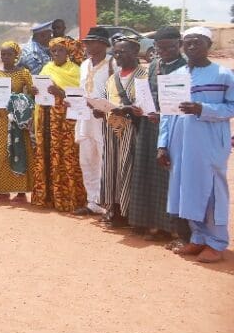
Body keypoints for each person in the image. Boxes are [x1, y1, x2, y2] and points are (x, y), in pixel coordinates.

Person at [158, 27, 234, 263]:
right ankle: (198, 237)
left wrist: (204, 109)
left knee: (210, 191)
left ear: (208, 45)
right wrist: (162, 145)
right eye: (187, 43)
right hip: (180, 144)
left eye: (197, 43)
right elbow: (167, 114)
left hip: (209, 143)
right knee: (186, 189)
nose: (191, 47)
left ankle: (217, 243)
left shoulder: (223, 74)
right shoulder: (176, 75)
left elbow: (231, 107)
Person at [128, 28, 186, 241]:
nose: (165, 51)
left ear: (179, 45)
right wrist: (139, 108)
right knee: (149, 175)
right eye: (161, 47)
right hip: (149, 126)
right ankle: (155, 225)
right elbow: (147, 94)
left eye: (170, 47)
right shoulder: (153, 65)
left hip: (174, 128)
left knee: (169, 177)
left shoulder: (185, 68)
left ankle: (174, 229)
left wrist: (162, 115)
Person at [31, 38, 87, 212]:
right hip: (47, 120)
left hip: (66, 123)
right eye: (53, 51)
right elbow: (39, 93)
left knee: (66, 155)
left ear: (68, 52)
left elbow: (80, 99)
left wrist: (60, 92)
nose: (56, 54)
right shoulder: (46, 69)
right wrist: (34, 91)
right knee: (47, 154)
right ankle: (47, 197)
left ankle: (68, 197)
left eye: (60, 50)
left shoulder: (76, 71)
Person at [97, 37, 146, 229]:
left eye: (123, 52)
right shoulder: (113, 78)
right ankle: (114, 210)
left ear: (135, 52)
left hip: (131, 130)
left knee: (127, 169)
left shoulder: (143, 76)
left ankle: (129, 212)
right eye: (116, 52)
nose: (118, 56)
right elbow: (104, 99)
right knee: (111, 169)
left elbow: (145, 105)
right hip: (110, 129)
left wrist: (126, 109)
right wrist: (98, 108)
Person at [74, 27, 115, 216]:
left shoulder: (112, 64)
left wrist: (104, 109)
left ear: (103, 43)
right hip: (84, 117)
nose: (87, 45)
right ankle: (93, 202)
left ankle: (107, 204)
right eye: (86, 42)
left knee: (103, 160)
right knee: (87, 159)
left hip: (103, 118)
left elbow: (116, 92)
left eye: (91, 42)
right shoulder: (84, 65)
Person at [0, 42, 34, 202]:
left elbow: (31, 95)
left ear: (16, 56)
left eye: (9, 54)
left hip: (17, 120)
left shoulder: (23, 73)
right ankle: (3, 191)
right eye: (3, 54)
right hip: (0, 119)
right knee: (1, 153)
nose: (5, 57)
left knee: (19, 151)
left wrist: (18, 99)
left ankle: (21, 192)